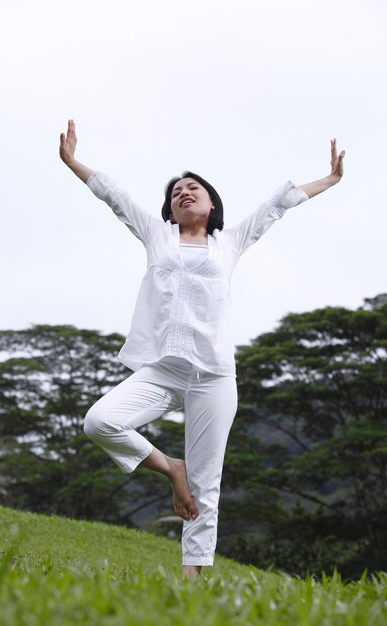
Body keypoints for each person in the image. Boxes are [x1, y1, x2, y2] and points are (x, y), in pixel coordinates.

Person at [59, 120, 345, 577]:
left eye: (193, 189)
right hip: (161, 370)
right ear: (170, 211)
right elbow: (115, 196)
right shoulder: (158, 235)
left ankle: (193, 583)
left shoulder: (228, 243)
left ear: (212, 205)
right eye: (176, 192)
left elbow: (277, 205)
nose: (183, 193)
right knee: (100, 421)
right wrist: (74, 162)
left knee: (206, 483)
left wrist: (329, 180)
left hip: (213, 376)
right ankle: (172, 466)